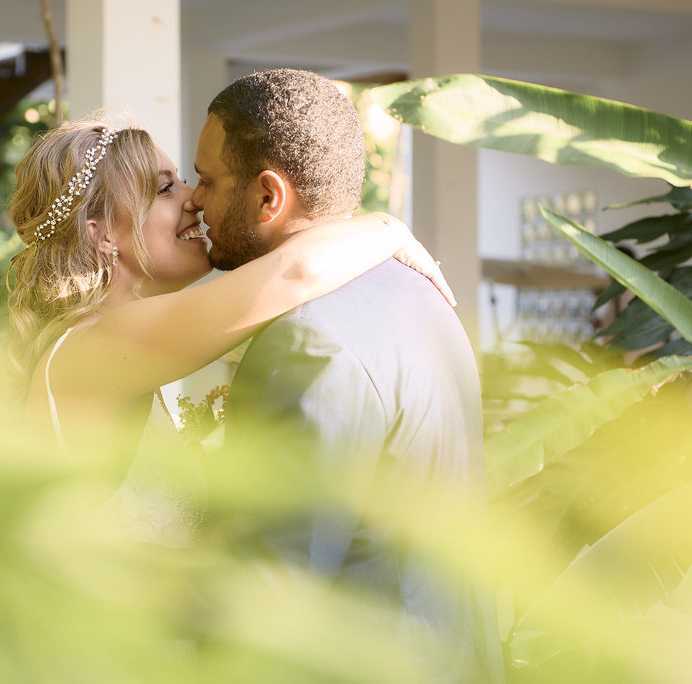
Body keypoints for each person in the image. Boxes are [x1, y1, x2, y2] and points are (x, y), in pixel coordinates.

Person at [188, 69, 504, 681]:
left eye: (207, 181)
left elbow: (271, 594)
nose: (195, 200)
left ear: (268, 196)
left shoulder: (307, 341)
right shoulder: (424, 296)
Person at [5, 117, 450, 546]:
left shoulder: (112, 342)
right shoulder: (97, 347)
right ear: (101, 233)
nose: (193, 199)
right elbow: (294, 273)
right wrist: (388, 228)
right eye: (164, 188)